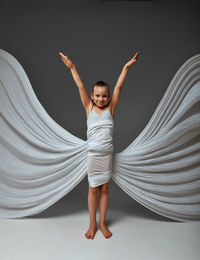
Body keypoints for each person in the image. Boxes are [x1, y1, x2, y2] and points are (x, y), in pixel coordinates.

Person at [59, 51, 139, 239]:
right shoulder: (89, 108)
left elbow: (119, 86)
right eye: (97, 96)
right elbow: (79, 86)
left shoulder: (111, 108)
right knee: (92, 189)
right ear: (92, 96)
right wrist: (71, 67)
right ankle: (92, 224)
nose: (101, 99)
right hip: (93, 157)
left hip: (107, 157)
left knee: (105, 189)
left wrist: (126, 68)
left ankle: (102, 223)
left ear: (108, 97)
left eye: (104, 96)